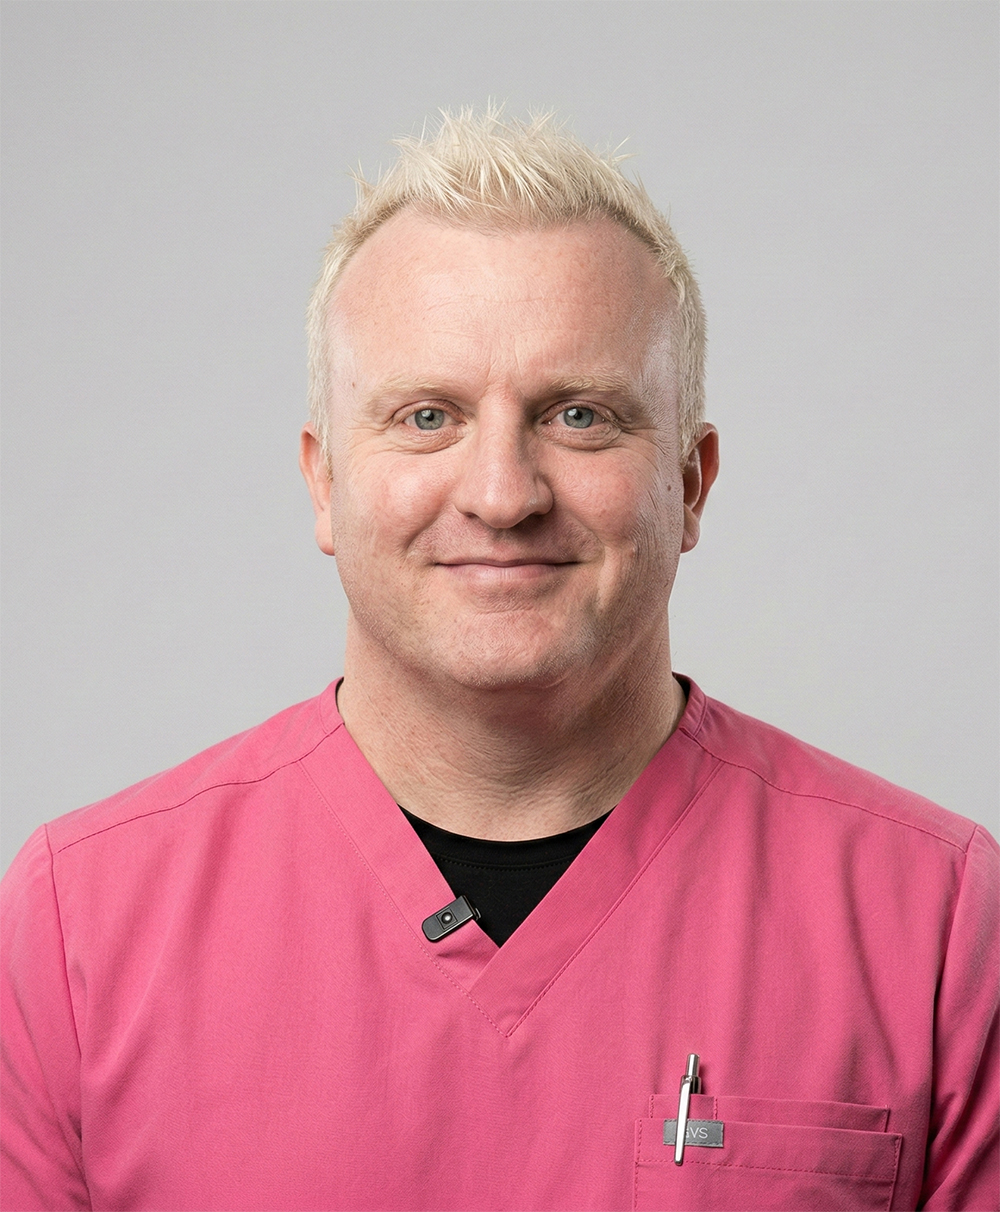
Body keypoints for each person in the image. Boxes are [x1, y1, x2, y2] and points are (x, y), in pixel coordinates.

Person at [1, 110, 996, 1212]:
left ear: (690, 483)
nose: (501, 494)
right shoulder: (82, 921)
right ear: (324, 482)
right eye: (427, 416)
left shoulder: (934, 917)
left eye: (580, 416)